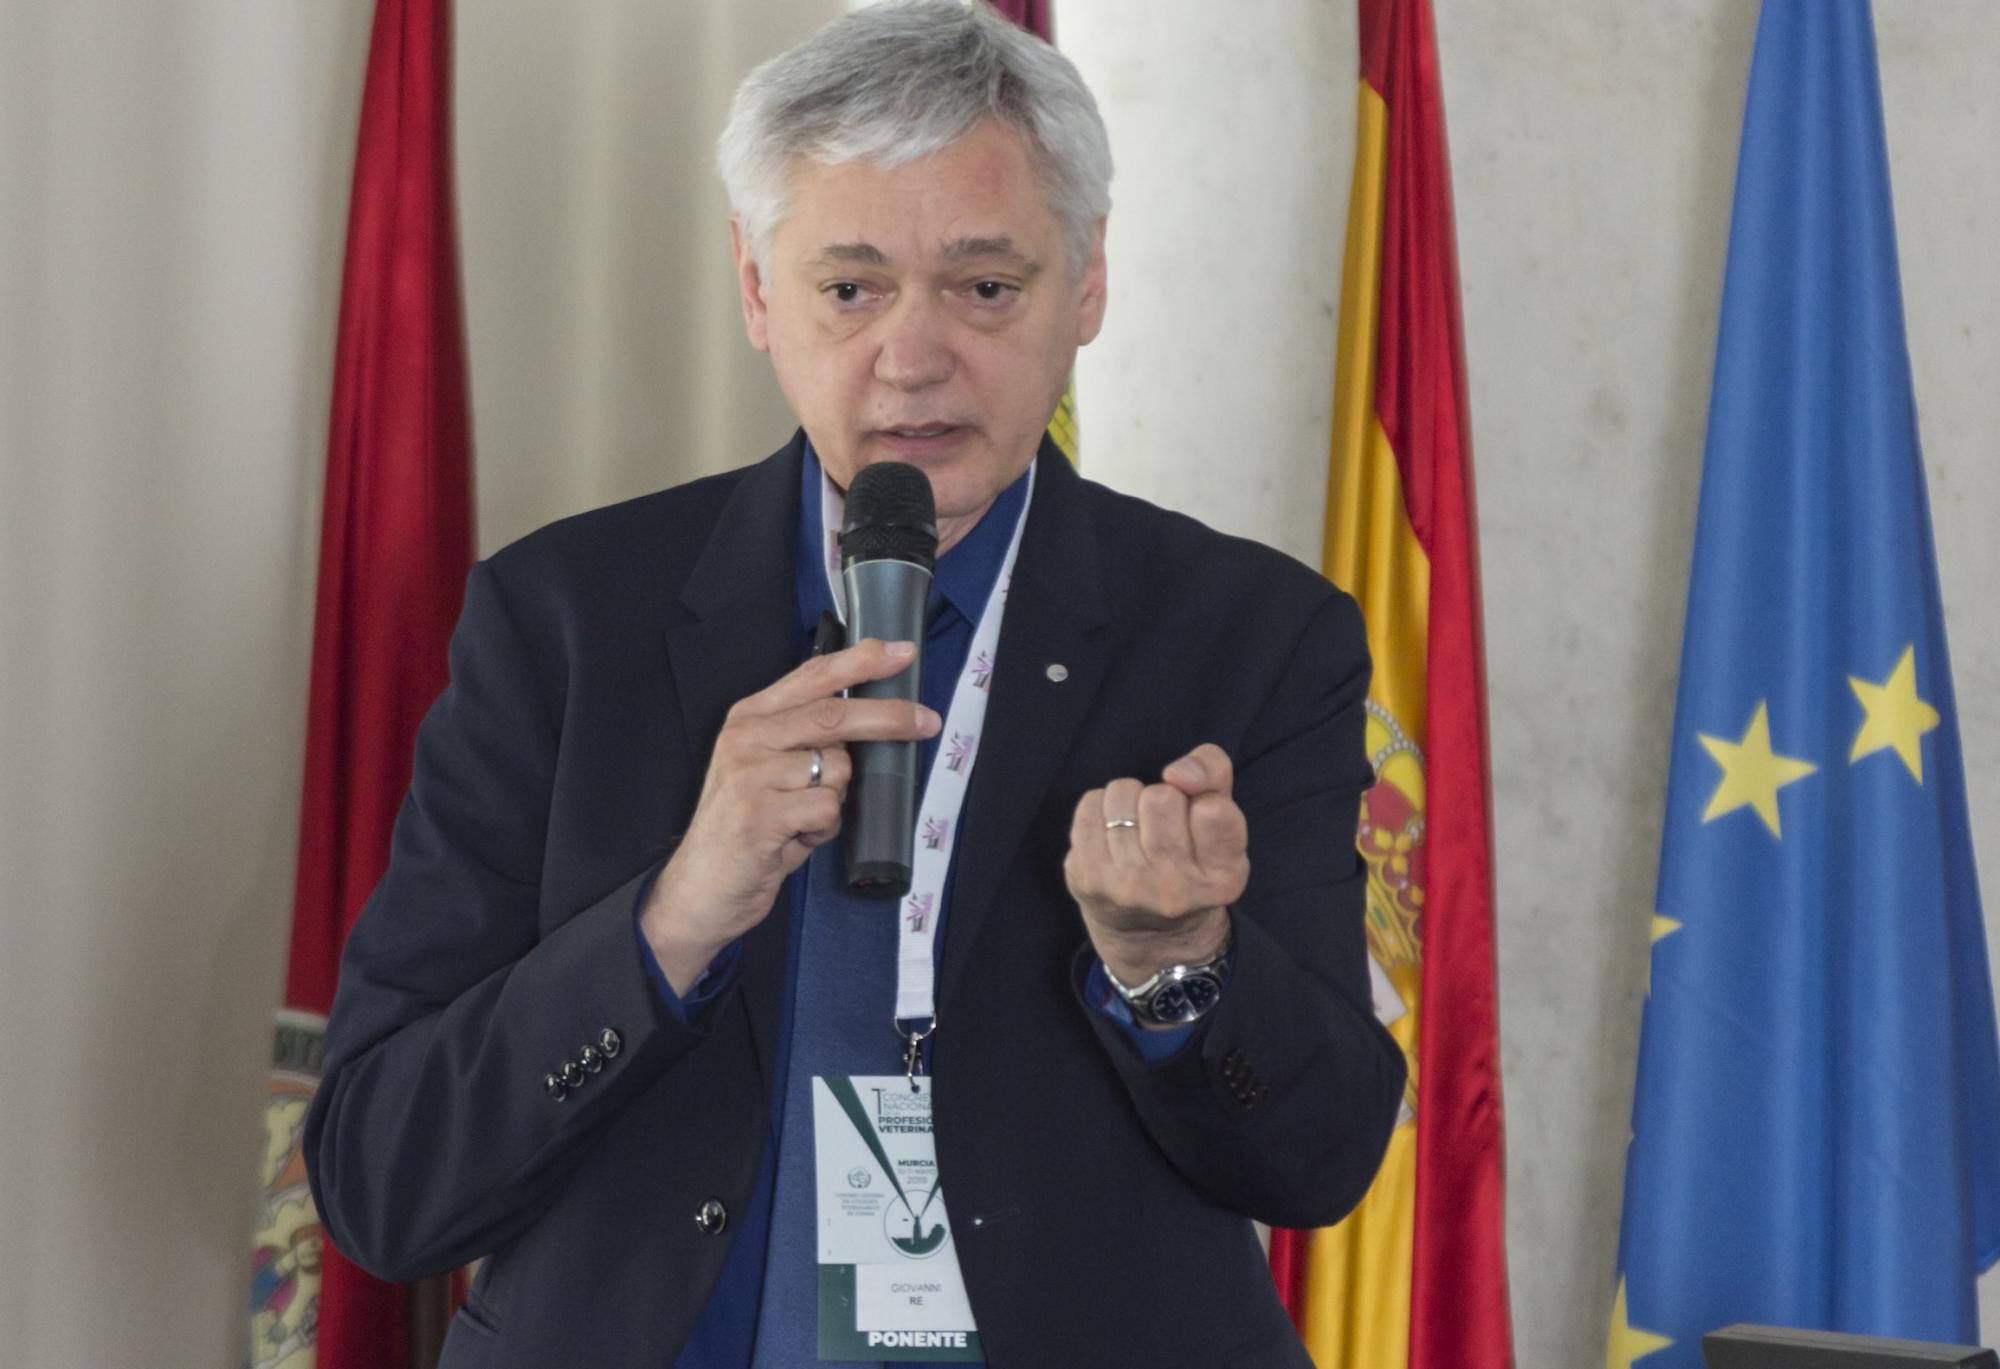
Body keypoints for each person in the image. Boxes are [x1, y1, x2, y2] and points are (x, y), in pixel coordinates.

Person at [303, 3, 1403, 1366]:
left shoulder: (1252, 638)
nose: (913, 354)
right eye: (850, 286)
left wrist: (1180, 968)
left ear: (1090, 285)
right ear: (759, 291)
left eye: (985, 286)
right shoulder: (563, 620)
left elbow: (1322, 1160)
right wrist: (673, 918)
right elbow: (377, 1178)